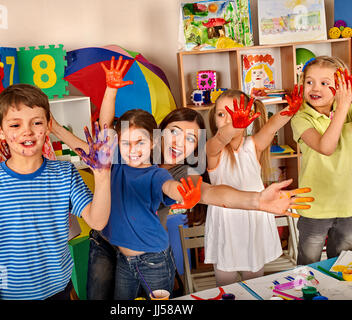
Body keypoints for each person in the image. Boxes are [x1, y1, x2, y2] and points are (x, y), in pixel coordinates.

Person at [51, 56, 313, 298]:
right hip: (106, 243)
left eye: (190, 138)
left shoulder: (183, 170)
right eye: (174, 131)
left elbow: (210, 193)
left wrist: (256, 200)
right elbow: (101, 135)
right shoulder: (132, 150)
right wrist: (57, 126)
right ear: (158, 134)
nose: (180, 142)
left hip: (145, 253)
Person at [0, 83, 113, 300]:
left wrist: (103, 174)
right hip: (9, 294)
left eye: (37, 122)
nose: (27, 131)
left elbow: (97, 222)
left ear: (49, 126)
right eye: (15, 125)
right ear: (0, 131)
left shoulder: (65, 172)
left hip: (59, 290)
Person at [205, 87, 309, 286]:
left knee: (255, 284)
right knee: (225, 287)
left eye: (235, 113)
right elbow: (220, 139)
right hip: (225, 223)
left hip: (255, 219)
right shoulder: (213, 148)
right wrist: (234, 126)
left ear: (249, 117)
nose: (228, 119)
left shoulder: (254, 144)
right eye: (221, 114)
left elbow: (271, 126)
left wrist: (289, 110)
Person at [291, 56, 352, 265]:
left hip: (348, 205)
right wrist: (342, 108)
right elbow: (326, 147)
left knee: (342, 266)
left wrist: (344, 106)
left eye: (325, 83)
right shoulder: (301, 118)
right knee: (308, 266)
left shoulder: (349, 111)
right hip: (314, 207)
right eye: (309, 82)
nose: (315, 88)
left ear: (344, 86)